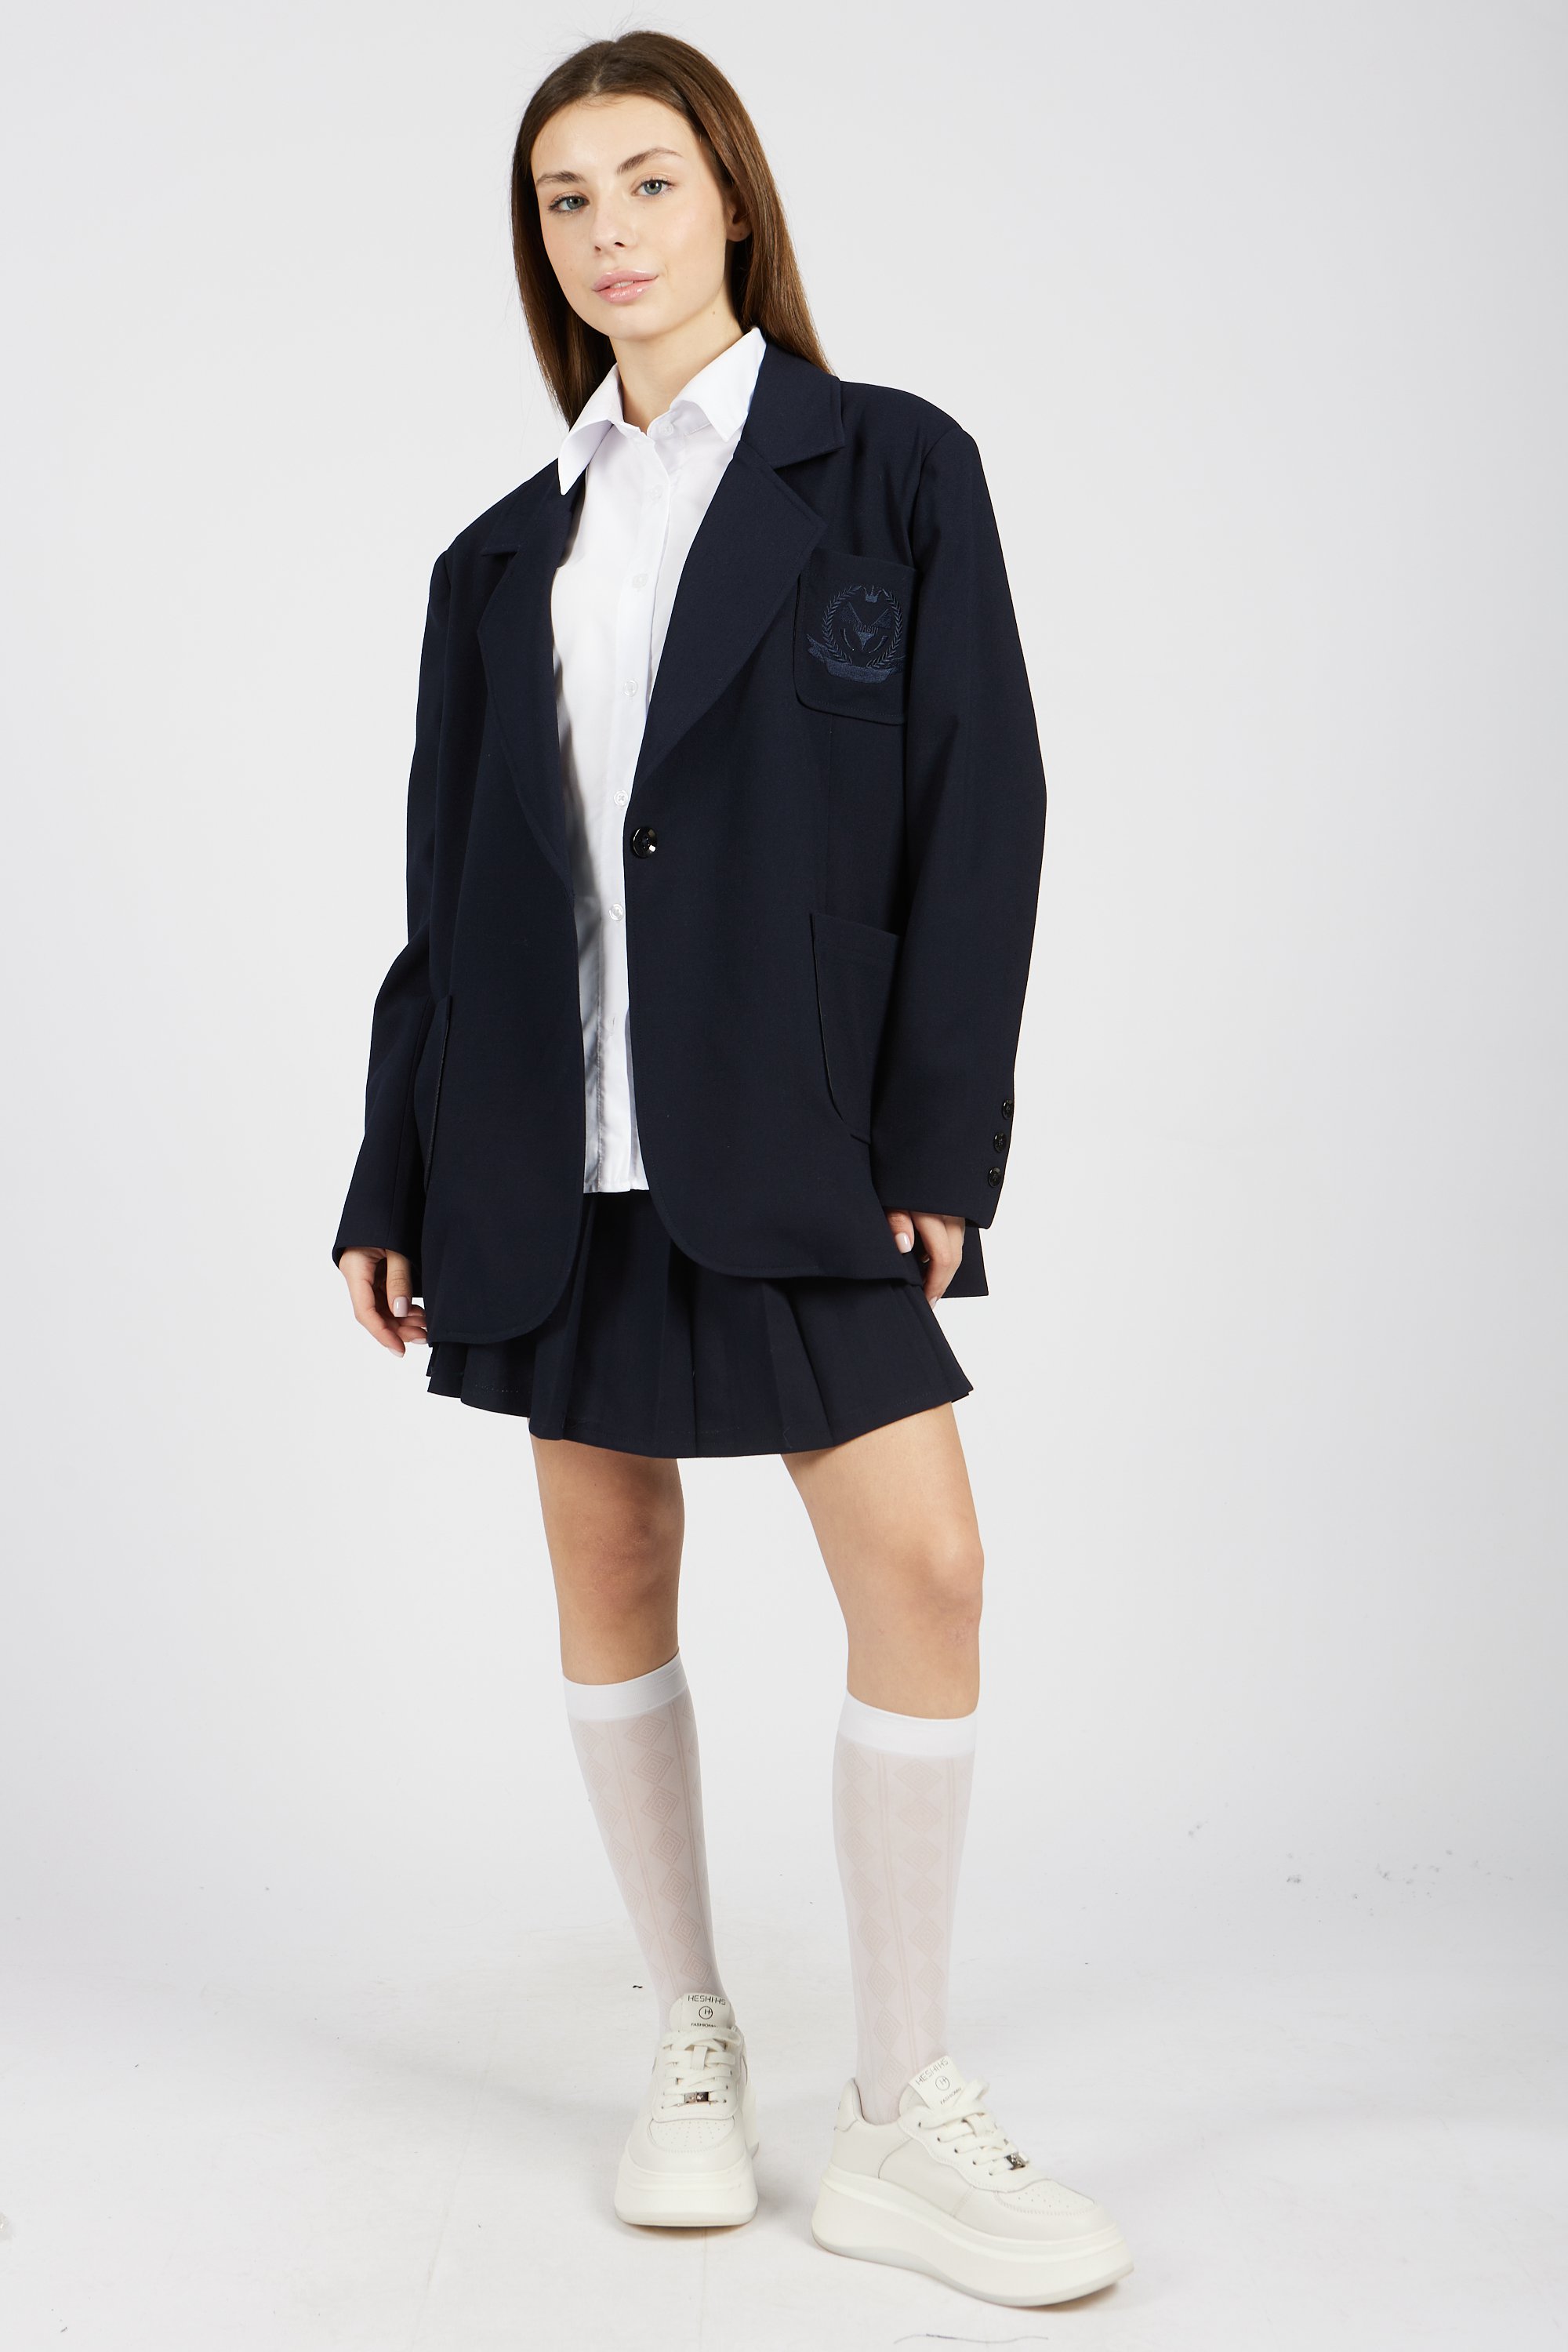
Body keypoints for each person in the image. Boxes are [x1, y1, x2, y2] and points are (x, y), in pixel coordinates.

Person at [332, 28, 1132, 2310]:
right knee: (613, 1568)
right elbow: (451, 896)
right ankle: (690, 2040)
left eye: (647, 182)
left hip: (796, 1131)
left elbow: (983, 808)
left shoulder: (888, 470)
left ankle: (899, 2108)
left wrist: (943, 1141)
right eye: (566, 199)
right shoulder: (501, 555)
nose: (609, 232)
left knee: (927, 1570)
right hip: (545, 1140)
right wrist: (389, 1170)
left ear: (735, 201)